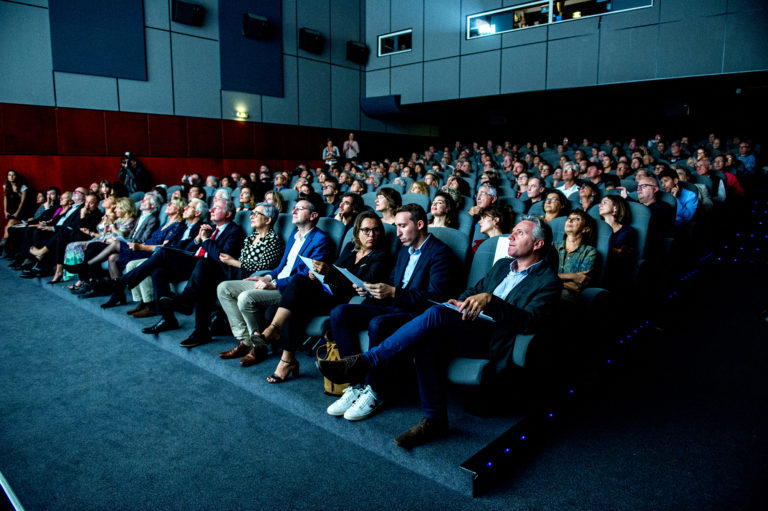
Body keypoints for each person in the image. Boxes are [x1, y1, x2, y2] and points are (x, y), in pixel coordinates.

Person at [319, 215, 561, 447]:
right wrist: (461, 302)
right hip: (469, 325)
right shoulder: (502, 266)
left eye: (520, 233)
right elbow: (472, 291)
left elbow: (530, 322)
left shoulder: (548, 281)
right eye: (513, 232)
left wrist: (491, 301)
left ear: (538, 244)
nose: (510, 236)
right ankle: (435, 419)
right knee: (427, 338)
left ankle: (367, 361)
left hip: (494, 337)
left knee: (435, 313)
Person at [326, 204, 461, 421]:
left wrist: (394, 292)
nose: (397, 232)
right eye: (396, 226)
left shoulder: (440, 253)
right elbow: (393, 280)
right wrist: (372, 288)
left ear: (419, 224)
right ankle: (356, 385)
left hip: (417, 316)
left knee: (379, 324)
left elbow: (436, 298)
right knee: (340, 313)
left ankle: (375, 390)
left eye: (402, 226)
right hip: (393, 306)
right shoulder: (404, 249)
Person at [250, 212, 391, 384]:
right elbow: (337, 272)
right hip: (330, 292)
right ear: (357, 231)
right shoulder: (350, 248)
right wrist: (319, 274)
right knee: (300, 282)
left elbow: (364, 280)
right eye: (366, 230)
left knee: (294, 303)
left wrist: (329, 272)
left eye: (376, 230)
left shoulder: (381, 254)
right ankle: (284, 355)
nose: (371, 234)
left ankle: (278, 339)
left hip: (345, 301)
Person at [98, 198, 245, 342]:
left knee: (168, 254)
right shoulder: (209, 228)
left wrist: (206, 240)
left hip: (214, 270)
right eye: (212, 207)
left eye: (217, 208)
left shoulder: (234, 232)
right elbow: (187, 249)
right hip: (196, 265)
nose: (211, 210)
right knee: (159, 270)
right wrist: (197, 240)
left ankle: (125, 281)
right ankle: (168, 319)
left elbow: (220, 257)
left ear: (228, 214)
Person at [216, 194, 334, 364]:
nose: (293, 211)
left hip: (288, 290)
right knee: (224, 288)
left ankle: (258, 348)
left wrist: (275, 284)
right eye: (294, 208)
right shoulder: (294, 235)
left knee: (246, 298)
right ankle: (246, 340)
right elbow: (281, 267)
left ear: (313, 215)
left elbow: (304, 278)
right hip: (275, 281)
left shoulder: (320, 240)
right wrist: (267, 276)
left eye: (299, 209)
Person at [124, 198, 205, 318]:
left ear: (197, 213)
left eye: (189, 207)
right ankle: (166, 317)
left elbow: (187, 249)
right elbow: (172, 245)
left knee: (163, 253)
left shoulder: (201, 228)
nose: (185, 208)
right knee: (158, 270)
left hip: (187, 265)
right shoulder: (183, 226)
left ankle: (125, 281)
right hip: (173, 260)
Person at [554, 210, 597, 301]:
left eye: (577, 219)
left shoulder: (589, 252)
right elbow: (539, 275)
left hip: (567, 297)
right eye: (569, 218)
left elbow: (577, 286)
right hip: (545, 291)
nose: (570, 220)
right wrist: (574, 276)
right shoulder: (553, 246)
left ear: (586, 229)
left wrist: (550, 280)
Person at [598, 195, 638, 291]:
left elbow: (616, 253)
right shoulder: (596, 229)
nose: (600, 205)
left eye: (605, 202)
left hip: (614, 273)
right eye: (600, 202)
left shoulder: (628, 231)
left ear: (615, 208)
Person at [2, 170, 32, 251]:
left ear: (16, 176)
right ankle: (5, 248)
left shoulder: (22, 187)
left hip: (21, 212)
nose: (11, 177)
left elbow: (22, 202)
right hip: (10, 211)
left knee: (10, 224)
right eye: (9, 175)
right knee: (8, 227)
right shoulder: (6, 186)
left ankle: (3, 244)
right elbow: (5, 199)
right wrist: (5, 211)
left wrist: (17, 213)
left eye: (13, 175)